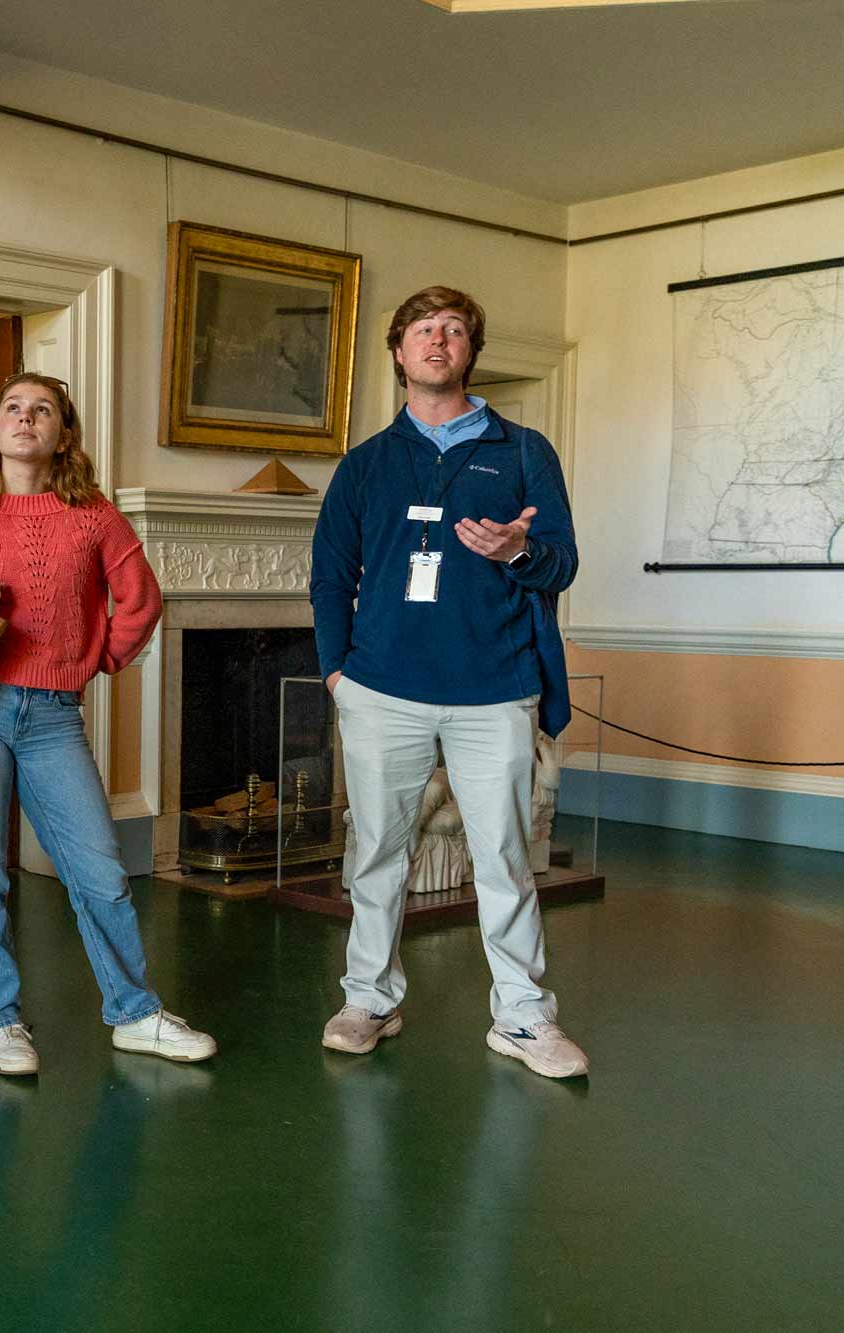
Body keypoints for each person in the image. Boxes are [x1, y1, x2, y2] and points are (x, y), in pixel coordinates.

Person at [0, 372, 216, 1076]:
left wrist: (98, 657)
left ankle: (135, 1013)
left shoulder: (95, 517)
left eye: (43, 410)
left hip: (53, 716)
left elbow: (142, 600)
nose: (26, 418)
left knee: (100, 869)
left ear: (63, 435)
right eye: (13, 408)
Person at [309, 285, 588, 1079]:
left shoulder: (523, 451)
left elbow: (562, 562)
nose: (439, 340)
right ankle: (369, 999)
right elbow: (330, 577)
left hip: (495, 688)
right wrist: (337, 674)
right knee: (376, 854)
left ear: (471, 351)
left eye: (455, 329)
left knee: (504, 856)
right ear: (399, 352)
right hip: (381, 690)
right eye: (424, 329)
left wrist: (515, 552)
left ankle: (524, 1017)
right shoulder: (366, 464)